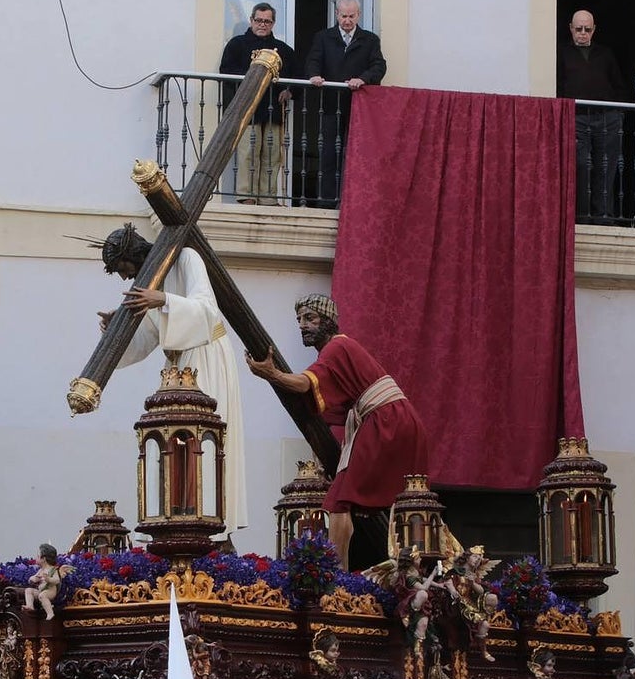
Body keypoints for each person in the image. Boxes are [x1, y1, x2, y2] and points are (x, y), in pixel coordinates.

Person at [244, 293, 428, 568]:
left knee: (339, 500)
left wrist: (273, 374)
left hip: (386, 421)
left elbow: (306, 384)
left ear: (328, 321)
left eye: (310, 318)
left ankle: (337, 576)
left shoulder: (336, 348)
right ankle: (412, 568)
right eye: (299, 320)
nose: (302, 325)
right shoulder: (339, 351)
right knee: (401, 503)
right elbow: (327, 402)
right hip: (396, 421)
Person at [97, 224, 247, 539]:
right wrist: (115, 328)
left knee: (202, 445)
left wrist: (163, 299)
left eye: (123, 269)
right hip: (176, 365)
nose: (125, 277)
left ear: (133, 254)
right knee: (172, 444)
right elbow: (148, 339)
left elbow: (207, 311)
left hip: (205, 356)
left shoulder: (187, 258)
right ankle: (176, 522)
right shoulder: (148, 279)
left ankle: (212, 532)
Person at [304, 0, 386, 208]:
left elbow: (379, 66)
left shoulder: (370, 40)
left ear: (358, 15)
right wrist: (314, 75)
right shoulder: (324, 37)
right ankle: (328, 202)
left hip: (359, 108)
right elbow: (313, 60)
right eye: (343, 16)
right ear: (336, 15)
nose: (347, 21)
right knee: (328, 154)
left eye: (351, 16)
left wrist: (363, 79)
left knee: (356, 154)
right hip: (330, 105)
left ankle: (352, 202)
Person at [219, 2, 299, 206]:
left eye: (267, 21)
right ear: (251, 20)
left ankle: (268, 198)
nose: (262, 24)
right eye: (259, 20)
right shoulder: (236, 45)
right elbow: (226, 72)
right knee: (248, 152)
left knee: (272, 155)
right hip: (248, 110)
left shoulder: (283, 50)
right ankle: (247, 195)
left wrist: (289, 91)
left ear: (273, 23)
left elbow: (298, 78)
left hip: (273, 111)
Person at [557, 10, 629, 223]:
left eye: (587, 29)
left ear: (594, 29)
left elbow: (619, 86)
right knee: (580, 166)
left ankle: (603, 217)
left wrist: (618, 113)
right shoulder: (561, 52)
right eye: (578, 29)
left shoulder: (605, 54)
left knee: (606, 167)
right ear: (570, 28)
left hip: (606, 119)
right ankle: (581, 217)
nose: (582, 33)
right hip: (576, 118)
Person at [23, 543, 68, 620]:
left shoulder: (53, 570)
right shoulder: (41, 570)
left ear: (43, 558)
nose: (35, 558)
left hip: (50, 591)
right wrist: (33, 579)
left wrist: (49, 579)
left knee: (42, 596)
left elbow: (57, 580)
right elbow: (32, 579)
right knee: (28, 590)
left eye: (37, 556)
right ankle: (30, 606)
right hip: (41, 590)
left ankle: (50, 613)